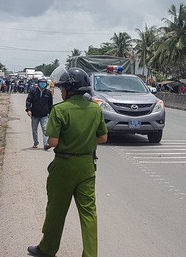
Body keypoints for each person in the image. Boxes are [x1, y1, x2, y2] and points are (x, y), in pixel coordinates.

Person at [28, 67, 107, 257]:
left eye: (63, 88)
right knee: (89, 214)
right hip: (87, 166)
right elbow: (103, 138)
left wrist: (63, 143)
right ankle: (90, 254)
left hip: (64, 165)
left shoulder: (60, 110)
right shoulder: (96, 109)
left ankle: (47, 249)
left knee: (56, 209)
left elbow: (53, 142)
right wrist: (83, 143)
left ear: (71, 89)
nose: (61, 92)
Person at [26, 78, 53, 150]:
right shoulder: (33, 91)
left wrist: (51, 113)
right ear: (38, 83)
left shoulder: (48, 92)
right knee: (34, 130)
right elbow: (28, 101)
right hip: (35, 114)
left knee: (45, 129)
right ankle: (35, 143)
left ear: (46, 84)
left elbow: (50, 104)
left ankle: (46, 143)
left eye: (44, 83)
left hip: (44, 114)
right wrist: (28, 110)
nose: (42, 84)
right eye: (41, 82)